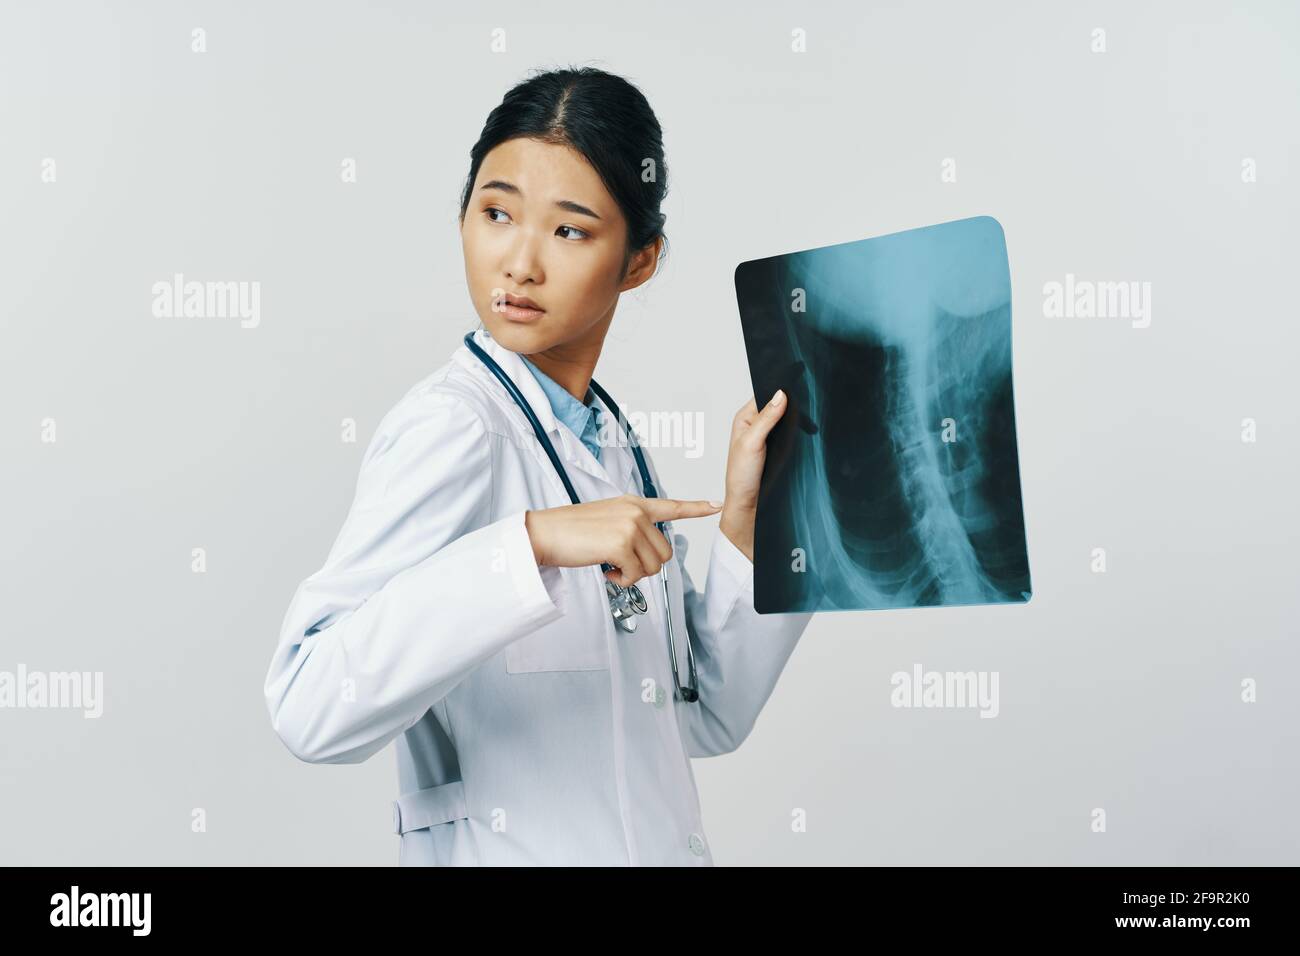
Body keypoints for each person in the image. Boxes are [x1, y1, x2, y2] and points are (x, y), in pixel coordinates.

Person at [263, 65, 815, 865]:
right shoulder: (456, 427)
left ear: (639, 261)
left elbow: (704, 719)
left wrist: (747, 522)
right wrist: (531, 546)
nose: (519, 264)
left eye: (569, 230)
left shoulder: (610, 443)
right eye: (496, 214)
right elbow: (309, 706)